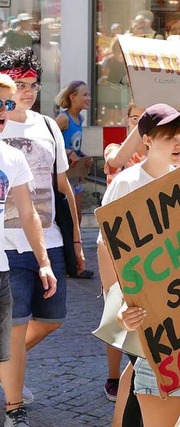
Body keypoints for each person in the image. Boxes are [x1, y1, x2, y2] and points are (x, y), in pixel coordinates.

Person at [0, 47, 84, 427]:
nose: (27, 91)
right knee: (15, 327)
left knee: (53, 319)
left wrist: (77, 242)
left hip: (47, 239)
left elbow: (62, 186)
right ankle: (14, 406)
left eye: (33, 84)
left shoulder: (49, 126)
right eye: (20, 84)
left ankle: (7, 367)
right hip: (7, 245)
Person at [102, 103, 180, 427]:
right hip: (137, 304)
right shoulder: (126, 184)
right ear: (146, 140)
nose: (177, 143)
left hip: (175, 302)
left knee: (144, 370)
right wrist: (116, 305)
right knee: (141, 366)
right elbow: (106, 249)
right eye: (169, 136)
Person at [0, 73, 57, 427]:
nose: (3, 110)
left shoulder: (11, 157)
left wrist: (45, 262)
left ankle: (11, 407)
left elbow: (27, 211)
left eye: (6, 104)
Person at [55, 80, 95, 270]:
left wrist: (83, 156)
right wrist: (66, 151)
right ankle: (69, 260)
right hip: (62, 176)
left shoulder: (80, 120)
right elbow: (49, 139)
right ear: (72, 97)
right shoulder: (63, 119)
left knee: (77, 216)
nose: (88, 98)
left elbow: (76, 146)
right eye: (85, 94)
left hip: (75, 175)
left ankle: (75, 259)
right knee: (68, 217)